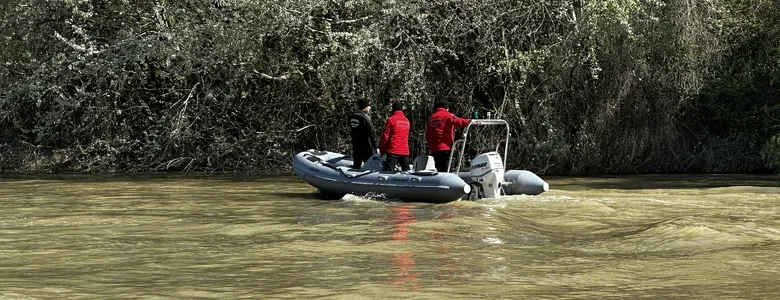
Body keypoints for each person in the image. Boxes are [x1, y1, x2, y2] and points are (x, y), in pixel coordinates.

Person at [426, 98, 471, 172]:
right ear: (446, 107)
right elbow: (460, 121)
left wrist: (431, 147)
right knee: (447, 170)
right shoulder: (447, 115)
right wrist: (471, 121)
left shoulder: (431, 118)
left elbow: (428, 135)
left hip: (435, 150)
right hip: (446, 148)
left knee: (440, 169)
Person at [379, 102, 411, 171]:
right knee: (407, 172)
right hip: (405, 151)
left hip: (393, 150)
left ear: (393, 109)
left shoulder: (390, 120)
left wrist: (382, 151)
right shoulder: (407, 121)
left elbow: (385, 137)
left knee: (389, 173)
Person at [348, 98, 379, 169]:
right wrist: (376, 146)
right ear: (365, 107)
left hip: (356, 146)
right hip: (366, 147)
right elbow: (372, 132)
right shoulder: (365, 118)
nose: (370, 107)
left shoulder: (352, 117)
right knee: (369, 166)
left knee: (356, 165)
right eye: (368, 106)